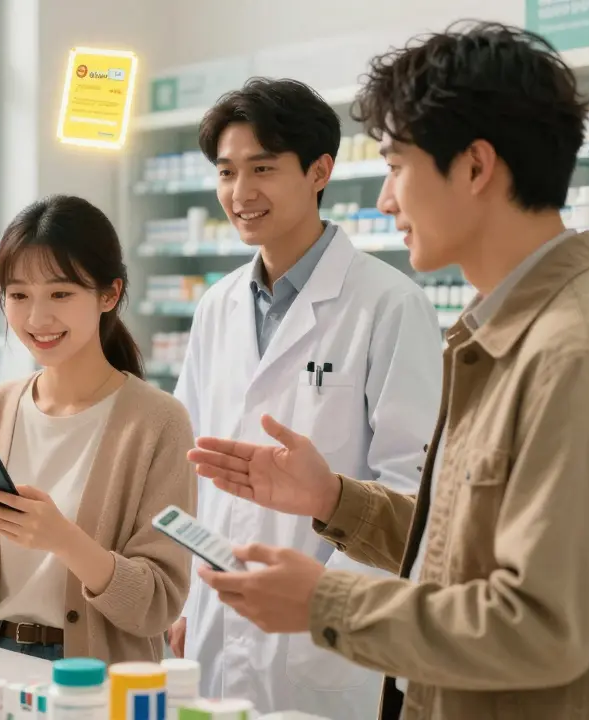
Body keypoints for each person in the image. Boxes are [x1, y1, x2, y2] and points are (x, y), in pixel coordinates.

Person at [189, 23, 589, 720]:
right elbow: (457, 550)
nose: (386, 200)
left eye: (396, 165)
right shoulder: (502, 335)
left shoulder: (579, 356)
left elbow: (541, 625)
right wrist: (334, 500)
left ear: (475, 167)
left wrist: (324, 600)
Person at [167, 77, 443, 717]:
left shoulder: (388, 304)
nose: (240, 194)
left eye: (262, 168)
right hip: (215, 622)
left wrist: (342, 607)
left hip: (328, 639)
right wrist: (183, 599)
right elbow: (193, 470)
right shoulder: (218, 306)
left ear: (320, 170)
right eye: (227, 172)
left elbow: (416, 490)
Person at [0, 195, 196, 663]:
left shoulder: (159, 422)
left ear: (109, 295)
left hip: (98, 675)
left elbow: (158, 604)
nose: (36, 318)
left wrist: (64, 540)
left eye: (61, 294)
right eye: (18, 295)